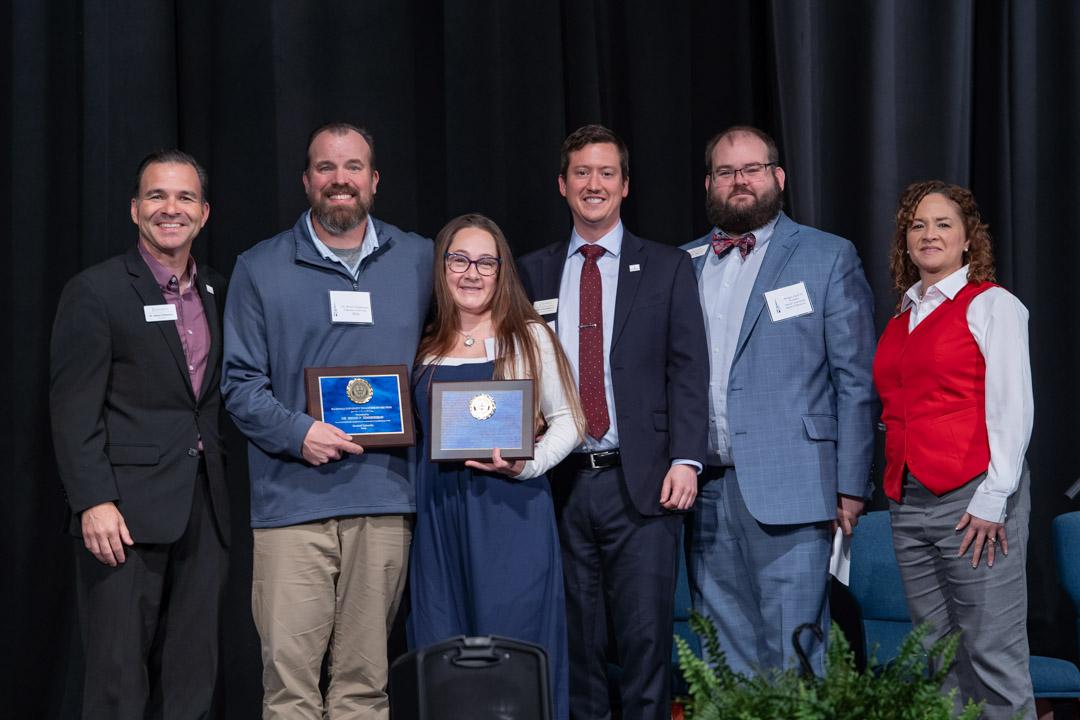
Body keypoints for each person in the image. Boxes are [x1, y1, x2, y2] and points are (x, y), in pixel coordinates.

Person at [222, 123, 433, 719]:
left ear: (374, 179)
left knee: (365, 690)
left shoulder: (420, 259)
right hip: (292, 506)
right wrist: (299, 433)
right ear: (306, 180)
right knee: (290, 691)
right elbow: (239, 384)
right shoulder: (260, 267)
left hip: (386, 500)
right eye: (325, 168)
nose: (340, 180)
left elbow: (459, 351)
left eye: (353, 167)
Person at [517, 124, 709, 720]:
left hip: (645, 482)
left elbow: (689, 369)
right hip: (561, 486)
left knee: (646, 644)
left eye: (606, 173)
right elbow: (514, 372)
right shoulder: (532, 272)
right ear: (562, 185)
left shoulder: (669, 266)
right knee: (578, 645)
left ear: (625, 186)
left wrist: (687, 458)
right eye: (582, 173)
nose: (593, 184)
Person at [679, 126, 876, 676]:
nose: (739, 181)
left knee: (792, 654)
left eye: (752, 169)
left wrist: (849, 484)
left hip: (796, 486)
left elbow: (855, 380)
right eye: (726, 171)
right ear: (709, 183)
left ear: (778, 177)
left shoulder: (827, 255)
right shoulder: (683, 263)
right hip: (705, 489)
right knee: (722, 656)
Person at [50, 149, 230, 718]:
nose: (169, 209)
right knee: (118, 680)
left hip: (205, 507)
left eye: (184, 198)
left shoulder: (220, 291)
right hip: (123, 516)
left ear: (205, 213)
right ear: (134, 210)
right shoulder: (96, 291)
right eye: (156, 196)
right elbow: (73, 409)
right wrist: (93, 501)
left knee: (193, 675)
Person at [409, 213, 585, 720]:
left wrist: (527, 468)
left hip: (512, 517)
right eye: (459, 259)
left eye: (486, 262)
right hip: (439, 519)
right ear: (441, 268)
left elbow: (571, 422)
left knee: (515, 653)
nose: (472, 272)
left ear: (502, 270)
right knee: (443, 656)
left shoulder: (528, 336)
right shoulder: (423, 344)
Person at [873, 181, 1034, 718]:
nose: (928, 234)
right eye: (917, 225)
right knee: (937, 658)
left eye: (943, 224)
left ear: (968, 240)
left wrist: (994, 498)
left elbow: (1012, 406)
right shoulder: (902, 315)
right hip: (909, 501)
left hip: (975, 500)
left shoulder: (992, 304)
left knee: (992, 653)